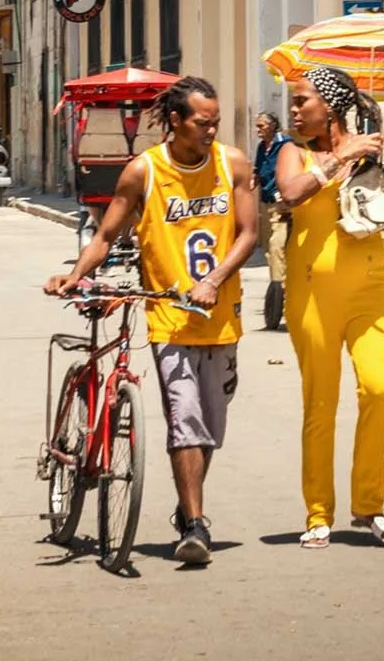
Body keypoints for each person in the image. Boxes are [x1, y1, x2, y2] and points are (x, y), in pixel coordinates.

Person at [45, 77, 257, 565]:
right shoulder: (144, 171)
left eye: (216, 123)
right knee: (184, 420)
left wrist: (216, 278)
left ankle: (187, 510)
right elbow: (106, 234)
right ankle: (198, 524)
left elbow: (248, 233)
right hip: (168, 316)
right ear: (177, 121)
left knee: (209, 429)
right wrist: (75, 275)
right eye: (203, 123)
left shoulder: (234, 164)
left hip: (222, 316)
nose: (211, 131)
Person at [275, 65, 384, 550]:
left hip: (371, 289)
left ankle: (369, 505)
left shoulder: (371, 149)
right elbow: (289, 195)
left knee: (378, 388)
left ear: (330, 106)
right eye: (293, 102)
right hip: (312, 290)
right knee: (321, 403)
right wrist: (336, 158)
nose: (294, 110)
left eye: (302, 101)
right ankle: (318, 513)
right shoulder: (293, 153)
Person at [253, 110, 290, 286]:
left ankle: (280, 287)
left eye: (261, 125)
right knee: (270, 248)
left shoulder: (286, 145)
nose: (258, 129)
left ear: (273, 126)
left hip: (281, 203)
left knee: (277, 246)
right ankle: (277, 283)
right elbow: (257, 171)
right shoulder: (261, 146)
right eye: (257, 126)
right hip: (266, 202)